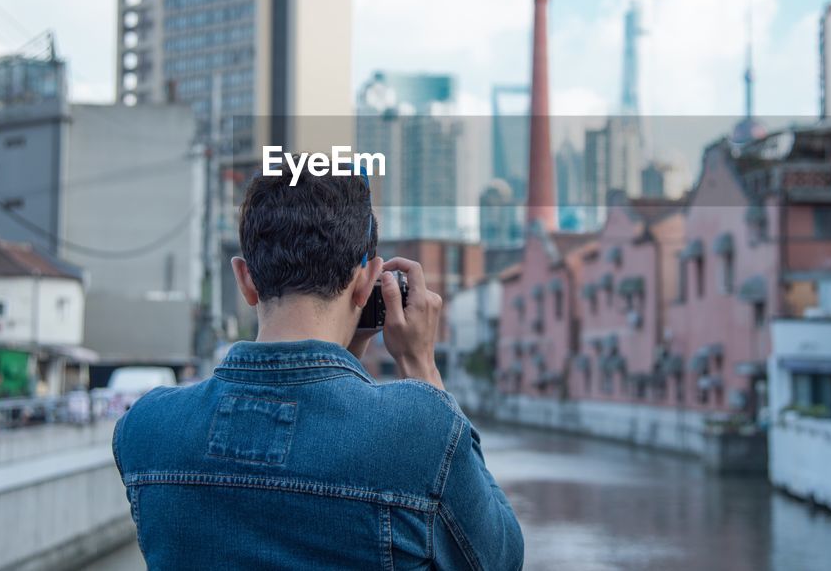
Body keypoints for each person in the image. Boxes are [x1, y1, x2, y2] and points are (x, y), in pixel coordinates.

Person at [113, 168, 524, 570]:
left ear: (245, 279)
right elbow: (499, 558)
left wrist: (351, 348)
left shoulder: (145, 430)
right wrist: (421, 366)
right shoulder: (422, 430)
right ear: (368, 284)